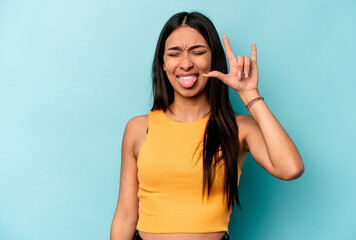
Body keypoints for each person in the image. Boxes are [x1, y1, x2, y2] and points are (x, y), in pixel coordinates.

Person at [110, 11, 304, 240]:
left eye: (198, 52)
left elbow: (291, 168)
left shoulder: (239, 127)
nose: (185, 63)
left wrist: (249, 93)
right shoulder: (138, 128)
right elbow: (125, 216)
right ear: (162, 64)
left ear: (214, 59)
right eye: (174, 54)